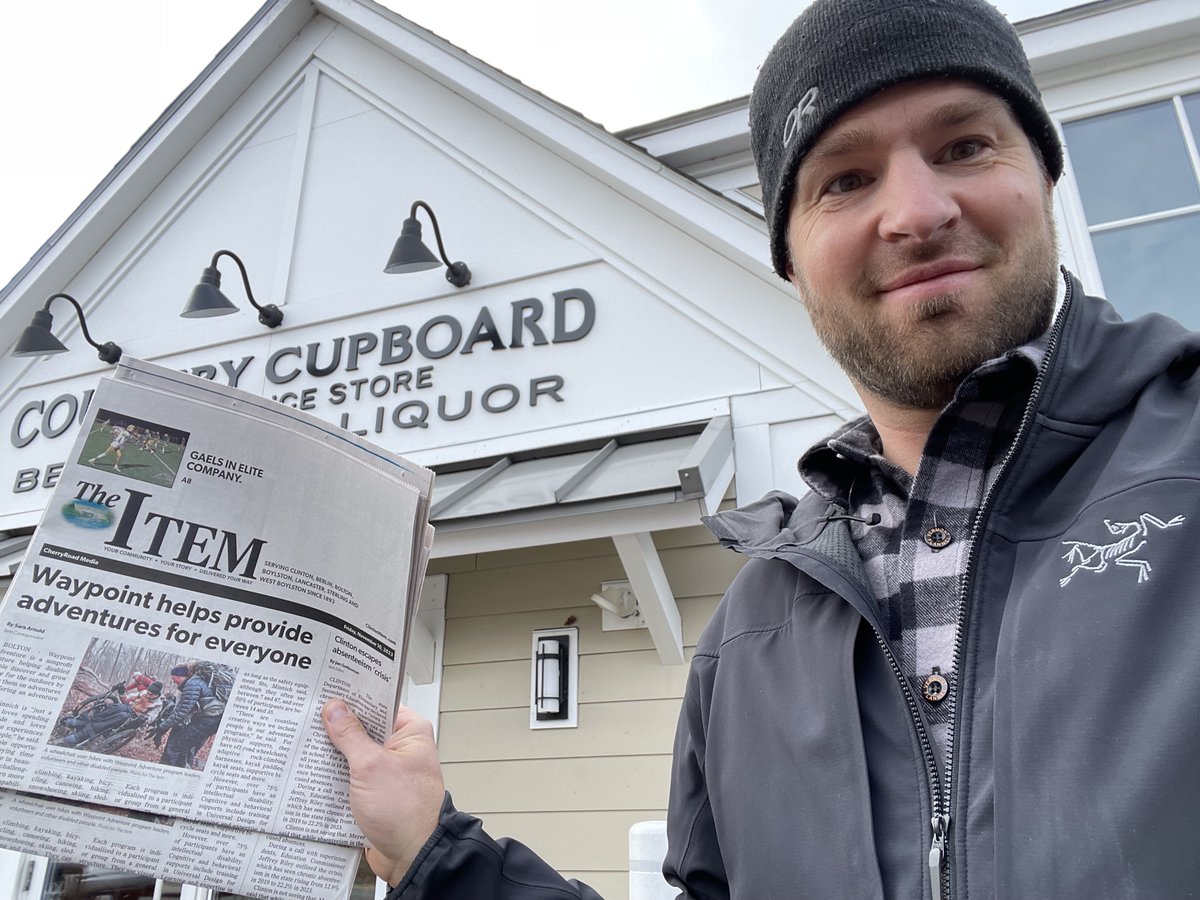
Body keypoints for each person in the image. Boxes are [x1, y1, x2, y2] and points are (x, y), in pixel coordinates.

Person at [323, 0, 1200, 896]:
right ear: (791, 257)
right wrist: (435, 855)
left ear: (1046, 177)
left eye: (965, 147)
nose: (918, 211)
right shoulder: (747, 636)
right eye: (846, 180)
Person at [153, 664, 222, 769]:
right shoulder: (200, 682)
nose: (173, 682)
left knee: (173, 748)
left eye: (174, 679)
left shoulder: (193, 684)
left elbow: (180, 713)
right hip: (210, 722)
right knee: (184, 748)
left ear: (182, 675)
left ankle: (164, 774)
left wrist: (161, 728)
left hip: (207, 722)